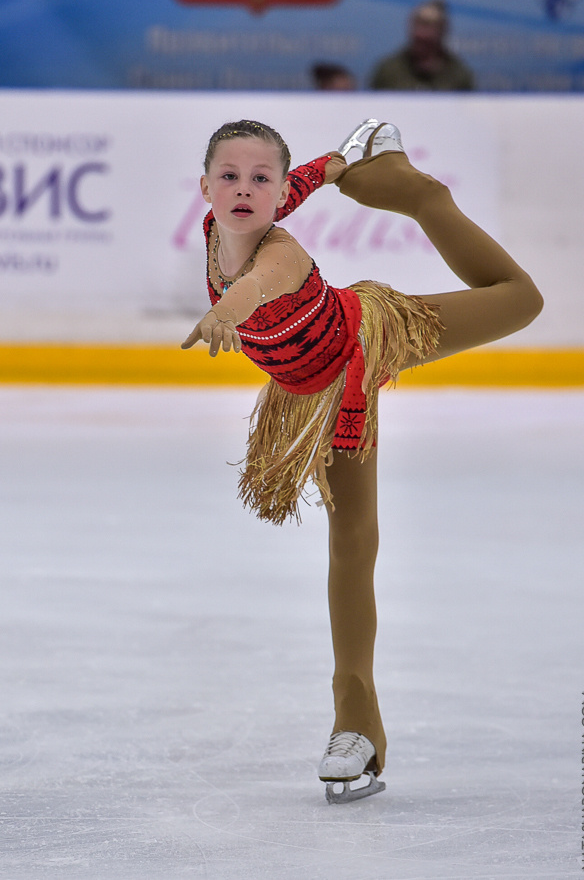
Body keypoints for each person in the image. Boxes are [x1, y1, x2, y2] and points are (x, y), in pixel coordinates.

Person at [181, 117, 543, 803]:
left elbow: (256, 285)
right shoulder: (221, 227)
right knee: (347, 541)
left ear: (276, 195)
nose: (244, 189)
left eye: (261, 179)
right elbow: (293, 186)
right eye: (229, 176)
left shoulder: (276, 252)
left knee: (521, 300)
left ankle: (423, 199)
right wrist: (337, 167)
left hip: (364, 341)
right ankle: (358, 724)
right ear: (204, 187)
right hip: (309, 392)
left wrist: (226, 311)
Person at [370, 0, 474, 92]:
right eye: (417, 24)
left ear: (443, 30)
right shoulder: (388, 71)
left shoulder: (458, 75)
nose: (420, 34)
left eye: (428, 26)